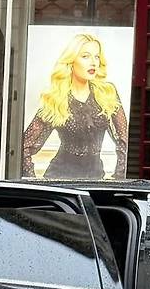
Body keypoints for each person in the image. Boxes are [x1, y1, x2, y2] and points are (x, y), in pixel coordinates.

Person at [22, 33, 129, 180]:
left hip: (96, 179)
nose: (93, 62)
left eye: (97, 57)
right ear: (71, 61)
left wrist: (118, 178)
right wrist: (34, 181)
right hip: (59, 179)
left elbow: (124, 140)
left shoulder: (107, 93)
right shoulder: (57, 98)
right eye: (85, 56)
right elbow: (24, 147)